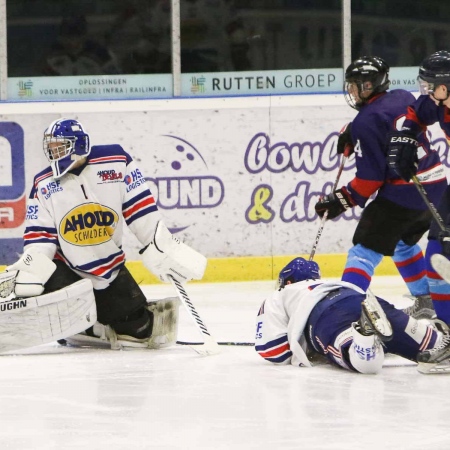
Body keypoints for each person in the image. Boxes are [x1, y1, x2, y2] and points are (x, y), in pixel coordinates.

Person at [1, 118, 206, 351]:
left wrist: (161, 246)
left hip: (109, 269)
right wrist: (31, 266)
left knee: (141, 330)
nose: (53, 152)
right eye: (51, 148)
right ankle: (82, 328)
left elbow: (141, 211)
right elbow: (40, 237)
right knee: (50, 284)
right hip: (67, 272)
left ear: (78, 145)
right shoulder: (44, 184)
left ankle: (91, 323)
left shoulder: (116, 163)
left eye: (60, 146)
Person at [314, 56, 447, 320]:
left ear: (370, 85)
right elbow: (391, 119)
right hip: (436, 186)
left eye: (357, 85)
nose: (352, 91)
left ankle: (344, 311)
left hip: (404, 194)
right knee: (402, 243)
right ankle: (425, 300)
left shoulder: (366, 120)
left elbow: (370, 180)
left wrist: (341, 200)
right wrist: (355, 129)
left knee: (364, 249)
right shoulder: (401, 96)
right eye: (350, 85)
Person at [254, 257, 450, 374]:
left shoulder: (280, 295)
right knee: (439, 348)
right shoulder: (330, 282)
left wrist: (310, 349)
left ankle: (364, 333)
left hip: (327, 315)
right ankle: (373, 330)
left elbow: (274, 351)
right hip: (359, 297)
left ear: (287, 283)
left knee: (367, 365)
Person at [387, 50, 450, 345]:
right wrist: (406, 139)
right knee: (436, 251)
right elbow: (416, 114)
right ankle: (446, 332)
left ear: (445, 85)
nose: (424, 89)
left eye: (429, 84)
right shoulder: (437, 103)